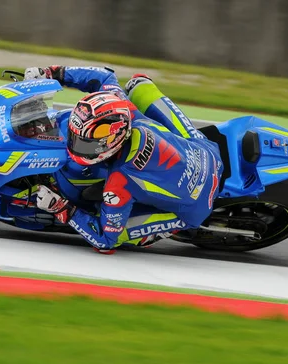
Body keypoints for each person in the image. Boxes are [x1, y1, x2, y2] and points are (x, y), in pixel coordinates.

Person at [23, 65, 224, 254]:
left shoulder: (118, 184)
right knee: (139, 83)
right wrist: (52, 73)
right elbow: (104, 76)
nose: (77, 147)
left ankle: (157, 232)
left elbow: (105, 241)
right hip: (205, 151)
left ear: (112, 141)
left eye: (86, 144)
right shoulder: (125, 109)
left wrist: (61, 208)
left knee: (116, 232)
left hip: (196, 205)